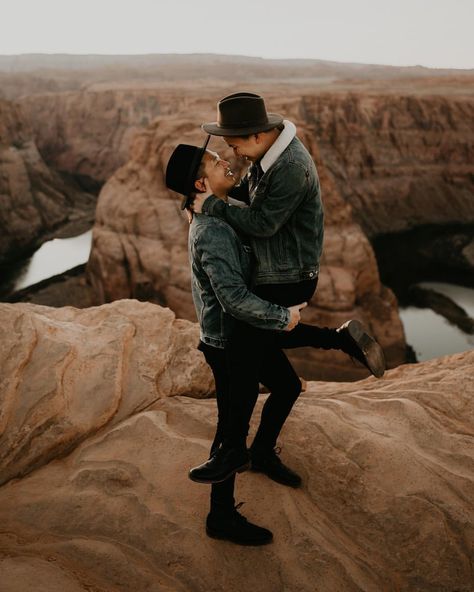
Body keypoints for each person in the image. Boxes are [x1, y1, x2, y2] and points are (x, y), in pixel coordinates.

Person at [190, 92, 385, 483]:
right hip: (278, 269)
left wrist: (211, 205)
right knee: (276, 365)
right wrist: (221, 195)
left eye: (235, 143)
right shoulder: (268, 156)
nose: (233, 153)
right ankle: (339, 342)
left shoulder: (290, 166)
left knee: (244, 360)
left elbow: (262, 224)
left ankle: (233, 453)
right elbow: (250, 196)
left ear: (259, 135)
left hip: (287, 276)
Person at [166, 139, 307, 545]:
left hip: (245, 333)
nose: (224, 162)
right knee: (230, 429)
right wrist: (285, 317)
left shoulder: (218, 210)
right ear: (199, 182)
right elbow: (233, 299)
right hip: (228, 341)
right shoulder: (210, 230)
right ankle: (221, 516)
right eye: (214, 162)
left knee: (287, 387)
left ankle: (261, 454)